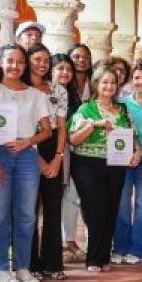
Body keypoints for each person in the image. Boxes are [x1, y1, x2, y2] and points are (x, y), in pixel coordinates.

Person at [0, 44, 52, 282]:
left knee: (26, 215)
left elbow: (47, 130)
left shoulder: (36, 96)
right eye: (10, 61)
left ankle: (22, 267)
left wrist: (28, 142)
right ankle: (2, 268)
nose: (15, 66)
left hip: (26, 156)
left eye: (20, 62)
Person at [69, 67, 141, 272]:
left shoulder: (123, 110)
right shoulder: (85, 109)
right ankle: (93, 258)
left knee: (111, 209)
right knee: (96, 210)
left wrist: (137, 151)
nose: (109, 86)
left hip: (116, 164)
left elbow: (133, 134)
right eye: (104, 82)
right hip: (88, 164)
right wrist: (95, 124)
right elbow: (73, 139)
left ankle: (103, 257)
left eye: (112, 82)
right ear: (96, 85)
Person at [26, 43, 68, 280]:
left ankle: (52, 263)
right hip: (27, 146)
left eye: (45, 60)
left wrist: (58, 157)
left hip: (53, 146)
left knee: (53, 207)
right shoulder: (21, 89)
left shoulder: (57, 90)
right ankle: (30, 263)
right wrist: (38, 159)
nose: (42, 64)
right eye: (37, 59)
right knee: (29, 208)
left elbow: (61, 126)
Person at [113, 64, 142, 265]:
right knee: (122, 203)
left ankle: (138, 249)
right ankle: (120, 247)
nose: (141, 82)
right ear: (132, 81)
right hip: (125, 159)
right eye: (137, 78)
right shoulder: (122, 103)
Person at [52, 54, 85, 264]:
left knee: (70, 196)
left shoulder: (73, 97)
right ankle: (54, 244)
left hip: (71, 153)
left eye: (68, 69)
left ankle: (69, 240)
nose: (65, 73)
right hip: (49, 151)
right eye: (60, 68)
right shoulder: (44, 93)